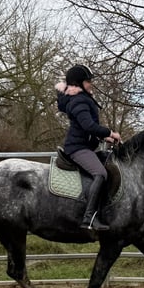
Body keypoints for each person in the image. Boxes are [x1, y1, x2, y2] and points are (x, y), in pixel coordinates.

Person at [55, 64, 121, 231]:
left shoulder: (80, 99)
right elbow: (88, 125)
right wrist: (110, 133)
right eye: (88, 81)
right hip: (77, 148)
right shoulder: (79, 101)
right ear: (78, 83)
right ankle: (89, 218)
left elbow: (87, 128)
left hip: (84, 146)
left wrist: (104, 136)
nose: (91, 84)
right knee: (100, 173)